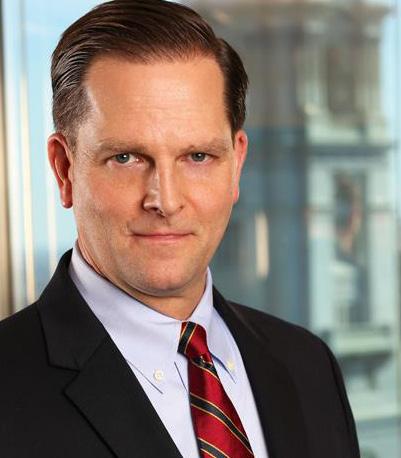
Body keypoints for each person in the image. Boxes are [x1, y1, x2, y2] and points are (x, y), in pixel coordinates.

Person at [0, 1, 360, 457]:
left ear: (236, 164)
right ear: (64, 169)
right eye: (126, 158)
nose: (166, 201)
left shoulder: (308, 365)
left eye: (197, 157)